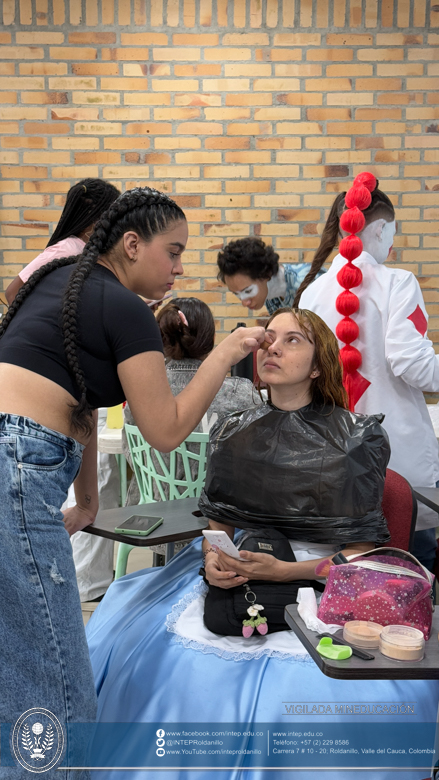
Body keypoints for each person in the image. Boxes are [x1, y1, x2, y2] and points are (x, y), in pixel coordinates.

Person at [86, 309, 437, 780]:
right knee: (152, 656)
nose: (273, 348)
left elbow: (359, 558)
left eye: (293, 341)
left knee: (326, 699)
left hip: (322, 581)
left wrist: (283, 573)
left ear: (318, 365)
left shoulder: (358, 439)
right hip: (242, 571)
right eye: (269, 339)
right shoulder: (231, 431)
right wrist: (215, 562)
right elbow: (218, 531)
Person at [0, 186, 264, 777]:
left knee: (19, 664)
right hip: (16, 468)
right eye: (172, 252)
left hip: (19, 463)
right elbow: (166, 429)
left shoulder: (65, 284)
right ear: (130, 243)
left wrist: (88, 500)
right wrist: (224, 354)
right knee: (59, 677)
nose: (178, 268)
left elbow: (83, 401)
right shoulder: (120, 307)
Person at [298, 171, 439, 573]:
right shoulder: (398, 283)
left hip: (331, 460)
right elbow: (413, 363)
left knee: (345, 573)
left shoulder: (312, 293)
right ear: (378, 229)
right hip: (398, 459)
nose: (393, 243)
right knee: (411, 569)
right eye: (393, 232)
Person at [123, 296, 261, 507]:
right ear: (211, 339)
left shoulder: (141, 390)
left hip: (153, 512)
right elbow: (256, 460)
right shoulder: (241, 394)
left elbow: (133, 455)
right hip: (218, 517)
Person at [5, 177, 120, 304]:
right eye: (113, 216)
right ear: (95, 218)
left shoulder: (91, 251)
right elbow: (13, 292)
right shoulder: (66, 249)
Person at [217, 236, 325, 314]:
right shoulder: (269, 294)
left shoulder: (308, 282)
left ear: (266, 274)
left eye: (248, 291)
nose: (245, 302)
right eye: (237, 294)